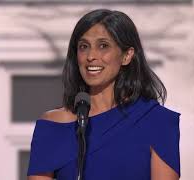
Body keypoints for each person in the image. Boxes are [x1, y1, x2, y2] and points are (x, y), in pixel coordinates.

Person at [27, 9, 181, 180]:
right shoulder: (52, 126)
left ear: (127, 56)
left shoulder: (157, 121)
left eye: (103, 46)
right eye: (84, 47)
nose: (91, 56)